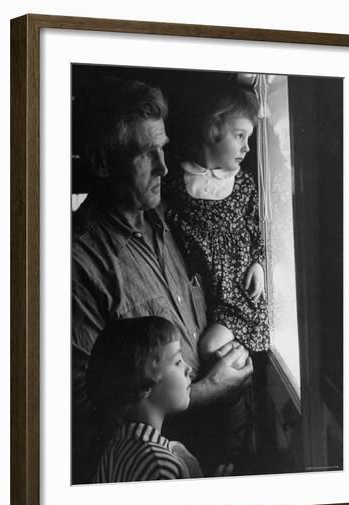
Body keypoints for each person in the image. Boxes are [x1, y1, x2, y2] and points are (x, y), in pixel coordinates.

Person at [72, 76, 253, 483]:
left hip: (219, 454)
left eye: (163, 149)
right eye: (145, 154)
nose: (164, 167)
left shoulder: (172, 218)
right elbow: (86, 412)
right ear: (102, 164)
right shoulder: (77, 263)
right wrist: (208, 390)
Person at [163, 81, 270, 465]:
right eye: (239, 135)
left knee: (212, 349)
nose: (245, 147)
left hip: (237, 293)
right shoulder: (175, 183)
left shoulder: (241, 185)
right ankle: (225, 451)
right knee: (198, 351)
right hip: (201, 295)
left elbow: (260, 227)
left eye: (249, 138)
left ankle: (237, 446)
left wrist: (258, 261)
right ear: (212, 130)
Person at [86, 316, 203, 482]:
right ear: (145, 384)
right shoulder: (160, 466)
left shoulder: (114, 452)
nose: (188, 369)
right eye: (177, 361)